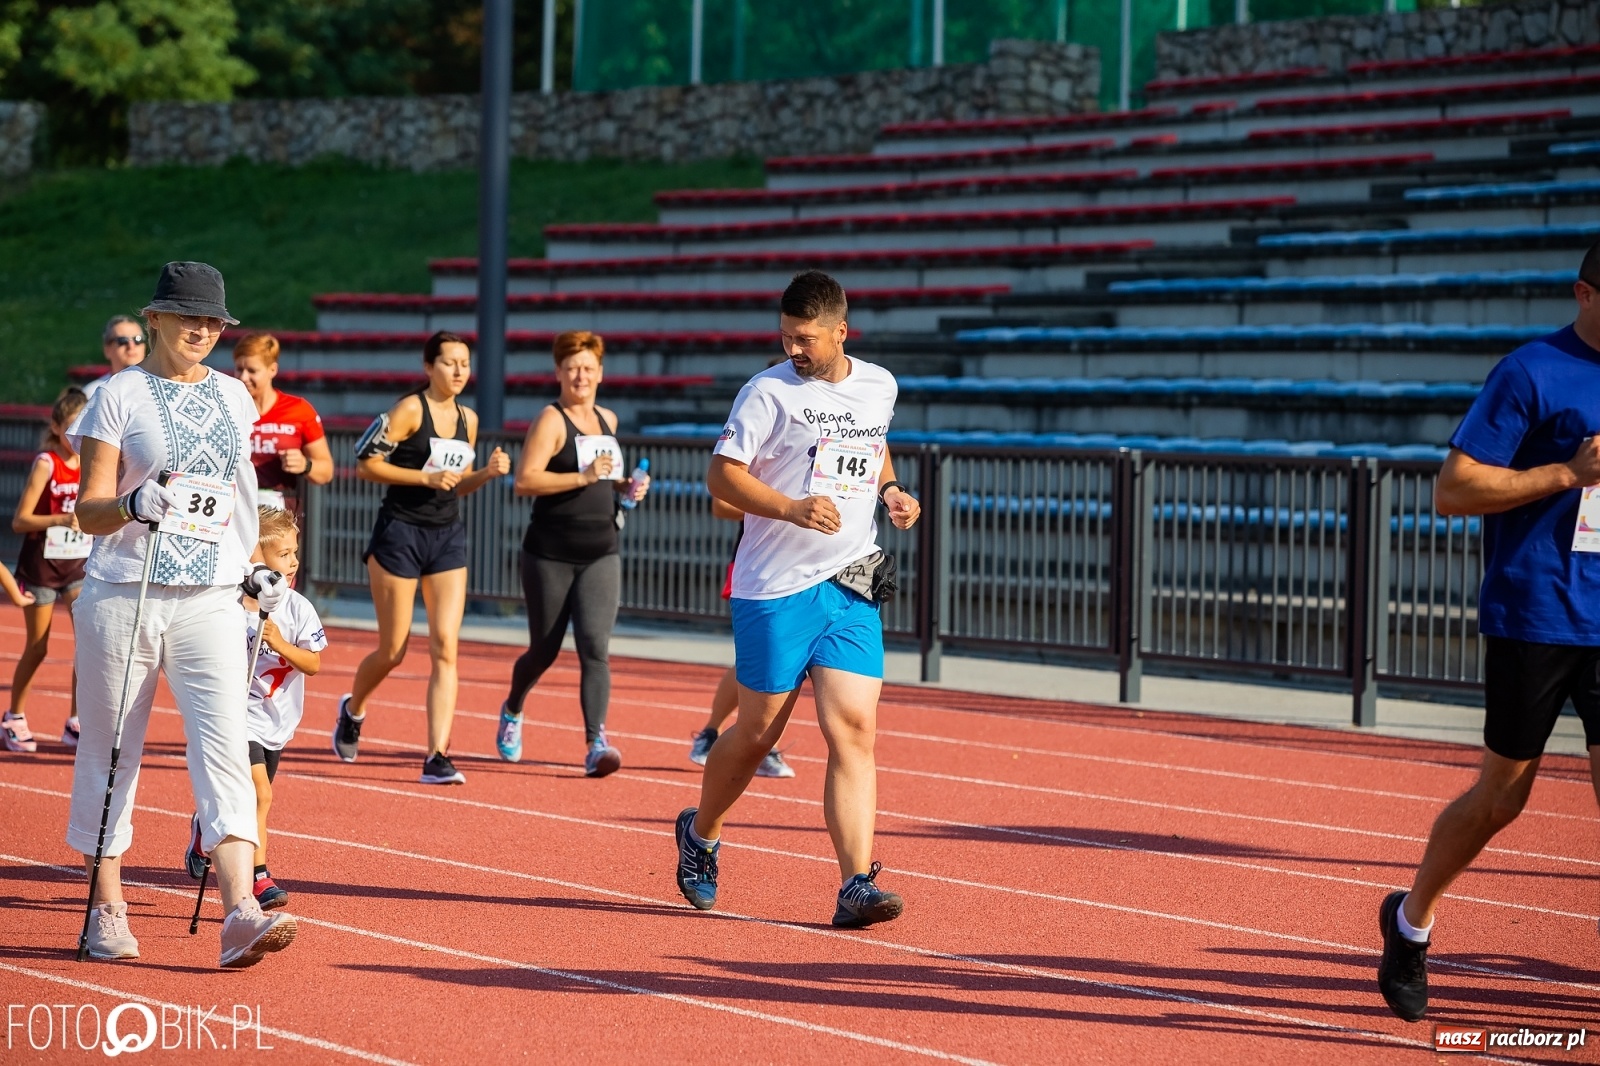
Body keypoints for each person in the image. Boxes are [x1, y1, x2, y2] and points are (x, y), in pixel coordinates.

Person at [1376, 240, 1600, 1021]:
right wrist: (1566, 474)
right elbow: (1454, 488)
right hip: (1536, 610)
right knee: (1502, 800)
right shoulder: (1531, 371)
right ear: (1584, 292)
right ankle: (1411, 921)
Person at [674, 270, 921, 927]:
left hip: (850, 579)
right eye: (785, 337)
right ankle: (701, 833)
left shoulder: (879, 386)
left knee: (854, 730)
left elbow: (873, 446)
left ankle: (854, 885)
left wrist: (891, 491)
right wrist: (788, 507)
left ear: (843, 332)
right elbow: (720, 477)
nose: (793, 350)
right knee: (757, 735)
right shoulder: (766, 394)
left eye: (805, 339)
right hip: (774, 587)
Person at [68, 260, 297, 967]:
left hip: (209, 598)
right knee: (111, 750)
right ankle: (107, 903)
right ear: (157, 319)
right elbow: (87, 507)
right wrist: (132, 505)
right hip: (124, 593)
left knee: (225, 744)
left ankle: (239, 909)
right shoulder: (117, 395)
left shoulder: (235, 398)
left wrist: (256, 567)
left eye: (214, 321)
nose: (202, 330)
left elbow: (239, 493)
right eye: (189, 317)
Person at [332, 330, 510, 785]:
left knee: (445, 647)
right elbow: (366, 463)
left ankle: (437, 755)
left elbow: (457, 481)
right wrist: (422, 479)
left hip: (446, 537)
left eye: (464, 363)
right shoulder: (411, 409)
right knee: (393, 650)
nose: (458, 371)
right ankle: (353, 710)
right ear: (428, 366)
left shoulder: (468, 419)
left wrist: (485, 474)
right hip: (399, 534)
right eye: (448, 362)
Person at [495, 331, 649, 777]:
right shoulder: (551, 420)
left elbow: (607, 479)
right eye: (572, 368)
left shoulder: (609, 419)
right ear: (559, 373)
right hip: (549, 553)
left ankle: (595, 742)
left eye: (588, 368)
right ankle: (513, 707)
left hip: (602, 549)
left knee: (595, 648)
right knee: (543, 650)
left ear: (600, 373)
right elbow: (525, 481)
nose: (581, 376)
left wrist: (627, 487)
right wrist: (583, 477)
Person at [185, 506, 326, 911]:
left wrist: (280, 643)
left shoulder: (298, 608)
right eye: (283, 553)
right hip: (234, 715)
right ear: (254, 560)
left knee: (254, 798)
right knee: (258, 796)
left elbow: (313, 664)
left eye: (295, 551)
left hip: (275, 722)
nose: (294, 560)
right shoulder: (228, 604)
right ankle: (258, 878)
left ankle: (203, 826)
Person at [5, 386, 90, 753]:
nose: (77, 437)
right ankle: (13, 717)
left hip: (76, 566)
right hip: (40, 565)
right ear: (56, 428)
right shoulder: (46, 462)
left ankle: (75, 721)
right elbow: (20, 520)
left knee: (88, 643)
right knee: (38, 647)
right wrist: (61, 518)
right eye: (70, 428)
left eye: (83, 428)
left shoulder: (91, 460)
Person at [688, 499, 796, 779]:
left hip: (814, 570)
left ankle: (730, 738)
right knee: (765, 659)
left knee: (782, 661)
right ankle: (715, 734)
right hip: (760, 567)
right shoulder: (760, 455)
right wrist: (788, 509)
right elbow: (721, 506)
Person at [232, 332, 333, 514]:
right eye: (239, 369)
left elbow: (326, 471)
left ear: (272, 370)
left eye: (252, 371)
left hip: (281, 512)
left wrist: (305, 465)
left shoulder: (299, 409)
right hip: (235, 508)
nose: (243, 377)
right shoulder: (228, 406)